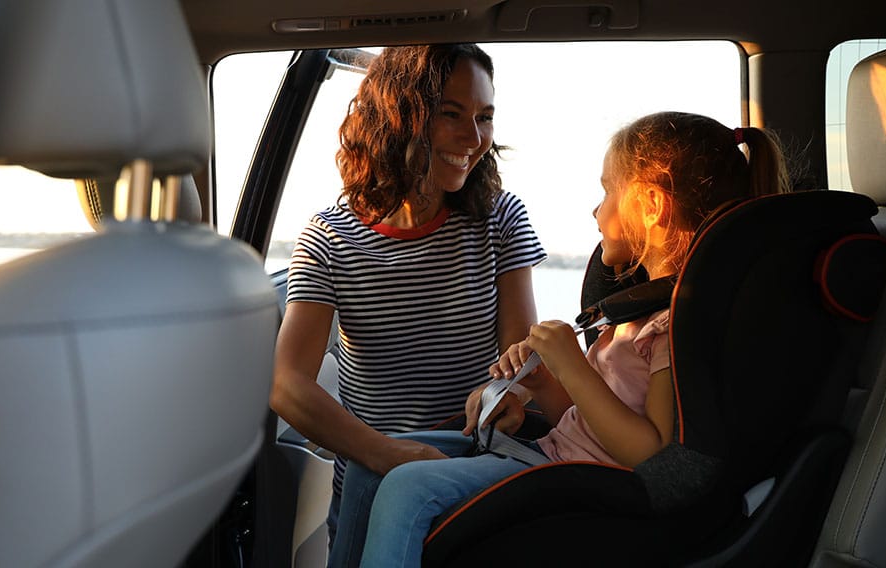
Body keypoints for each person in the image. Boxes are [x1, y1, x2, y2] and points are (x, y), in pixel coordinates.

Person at [336, 111, 791, 567]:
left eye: (609, 190)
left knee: (405, 486)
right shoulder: (633, 313)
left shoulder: (671, 327)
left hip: (570, 484)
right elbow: (583, 423)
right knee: (370, 464)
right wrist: (541, 385)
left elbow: (651, 453)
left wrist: (572, 365)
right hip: (550, 455)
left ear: (652, 204)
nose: (597, 209)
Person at [269, 43, 547, 562]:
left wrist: (505, 394)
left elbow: (521, 361)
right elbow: (287, 384)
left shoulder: (501, 218)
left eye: (485, 117)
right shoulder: (330, 239)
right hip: (369, 481)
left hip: (467, 470)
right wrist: (386, 453)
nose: (474, 138)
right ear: (400, 116)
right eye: (451, 114)